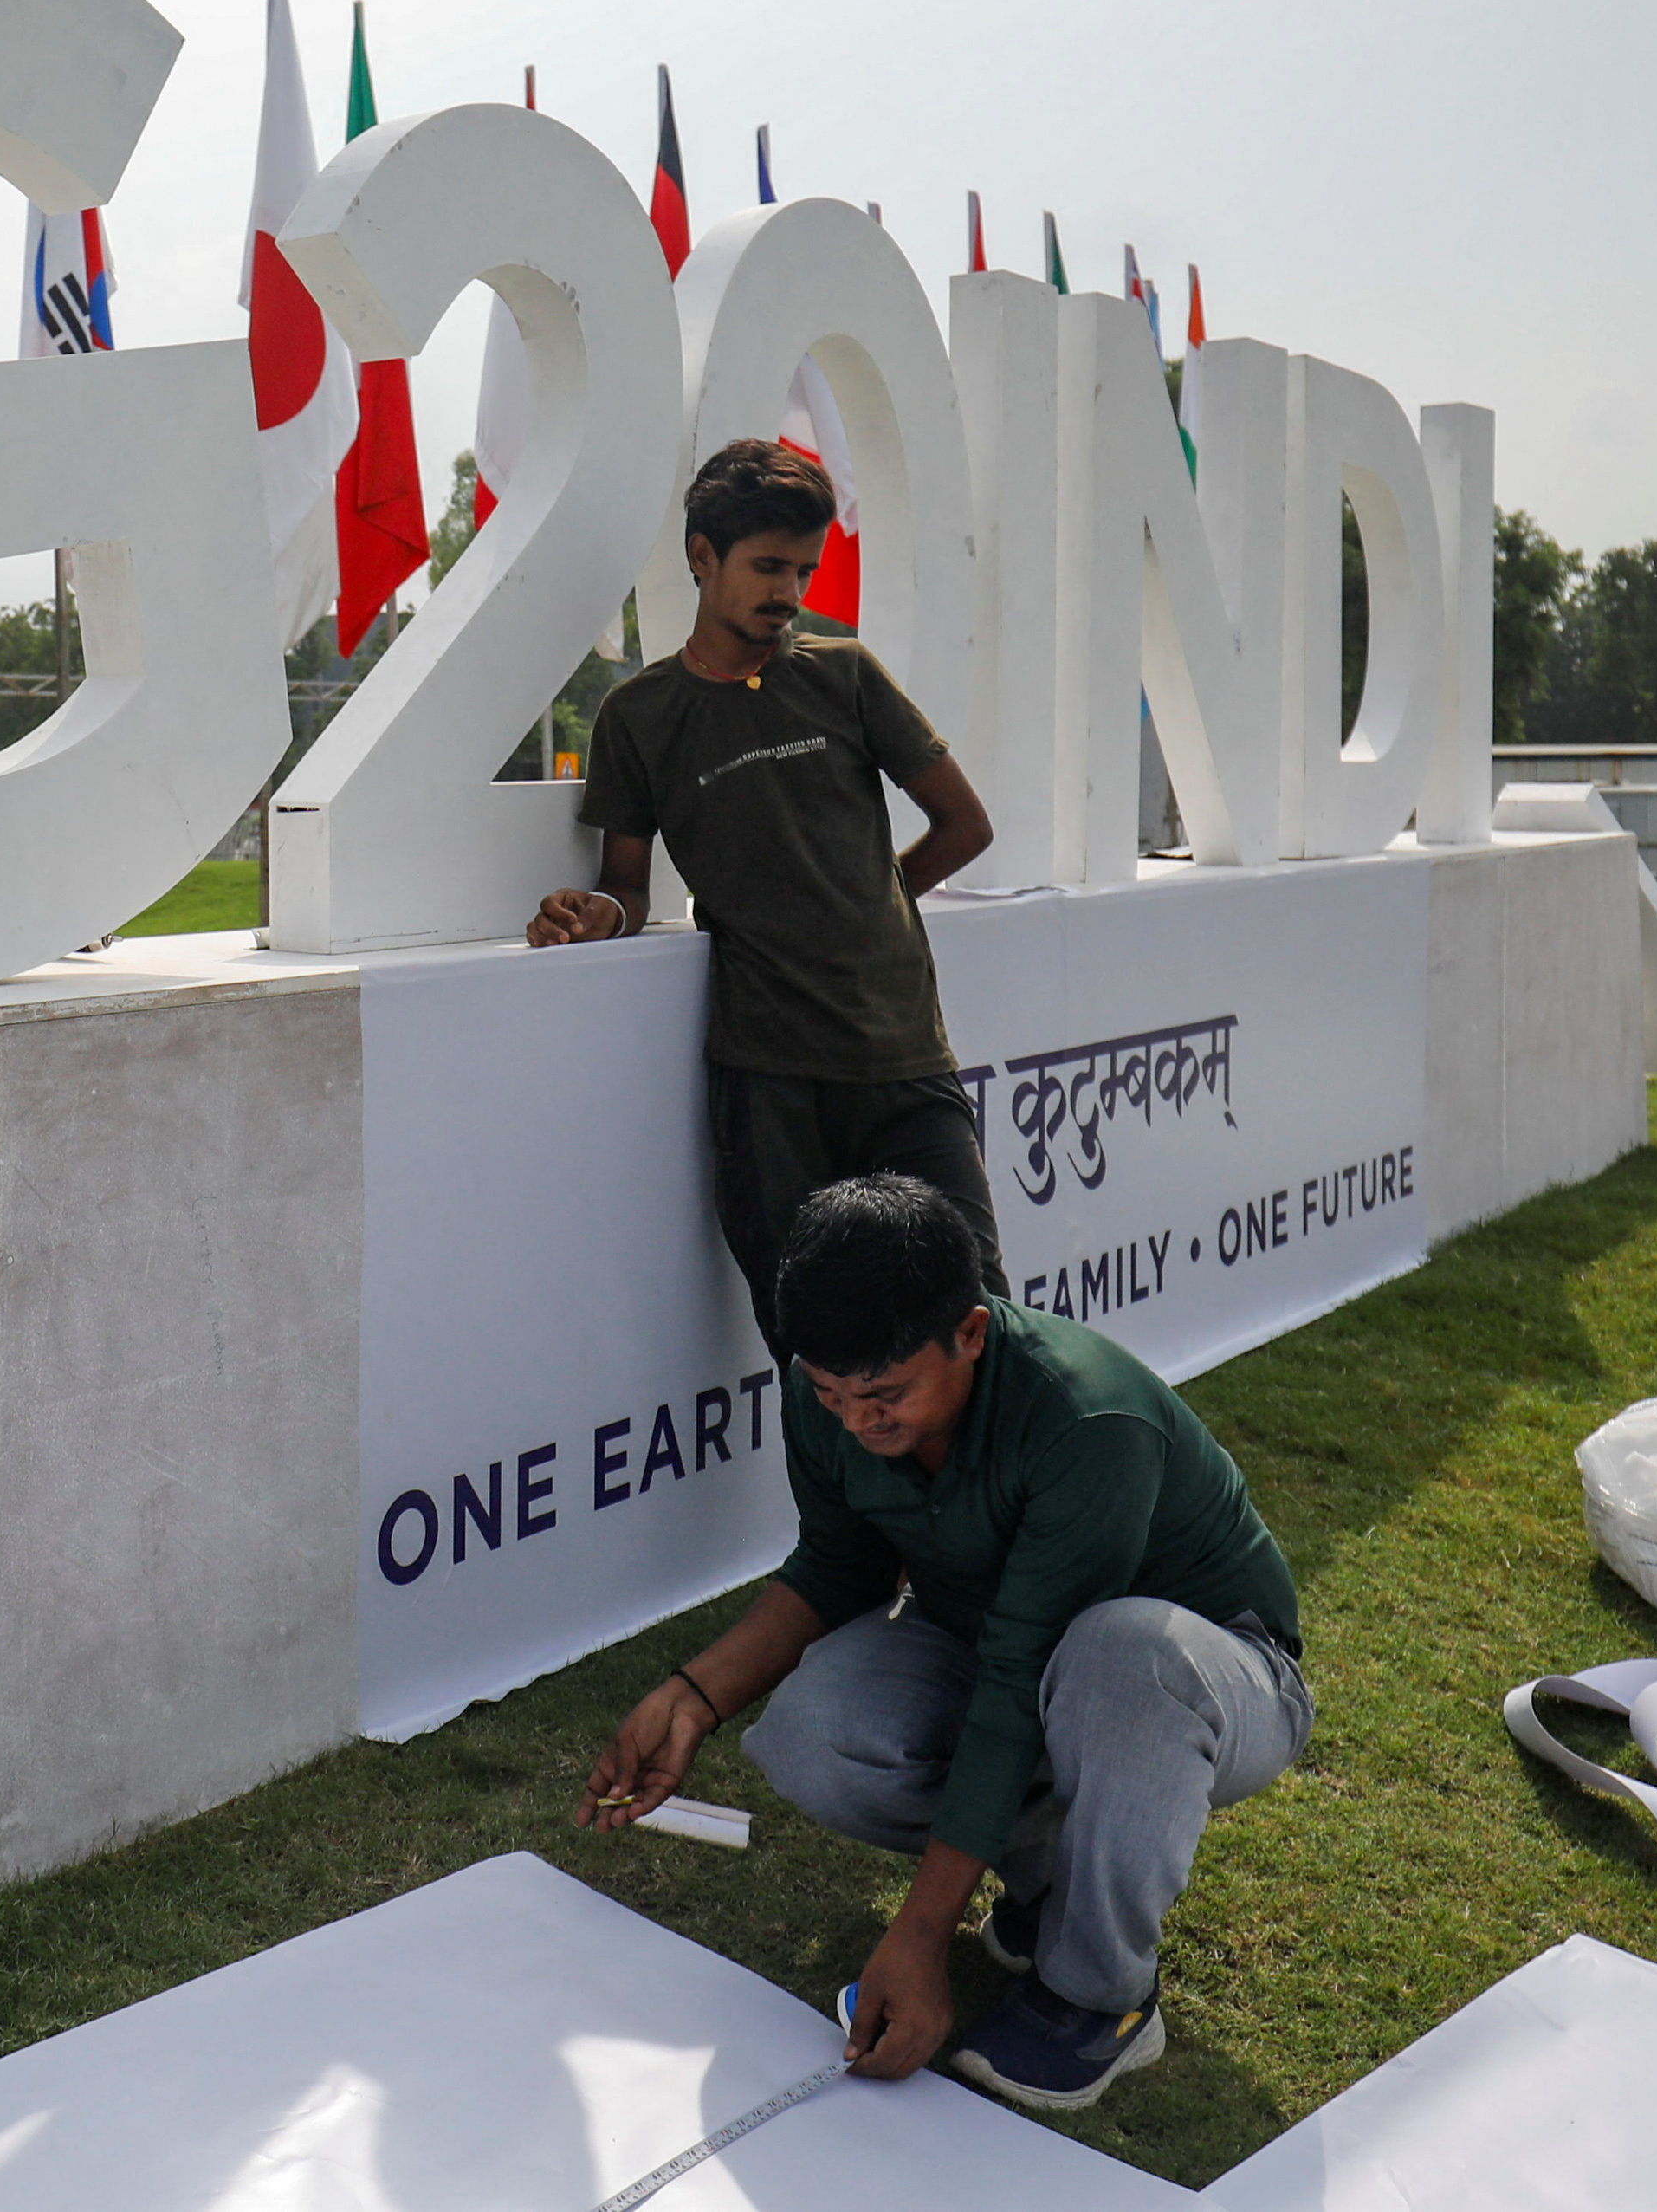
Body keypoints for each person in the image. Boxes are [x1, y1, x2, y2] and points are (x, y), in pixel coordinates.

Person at [576, 1174, 1311, 2111]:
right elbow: (839, 1566)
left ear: (969, 1332)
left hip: (1209, 1677)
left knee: (1119, 1651)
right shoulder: (831, 1390)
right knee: (813, 1729)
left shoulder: (1085, 1420)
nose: (854, 1421)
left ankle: (1100, 1998)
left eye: (882, 1394)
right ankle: (1050, 1886)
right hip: (1009, 1646)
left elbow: (1017, 1681)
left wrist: (920, 1934)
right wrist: (691, 1696)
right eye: (829, 1394)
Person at [530, 438, 1003, 1346]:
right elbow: (625, 886)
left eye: (803, 568)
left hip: (903, 1058)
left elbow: (965, 826)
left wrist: (869, 898)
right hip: (767, 1080)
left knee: (976, 1321)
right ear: (701, 558)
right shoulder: (638, 718)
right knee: (808, 1340)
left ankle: (998, 1493)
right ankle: (832, 1498)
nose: (787, 591)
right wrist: (594, 914)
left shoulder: (844, 672)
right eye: (766, 566)